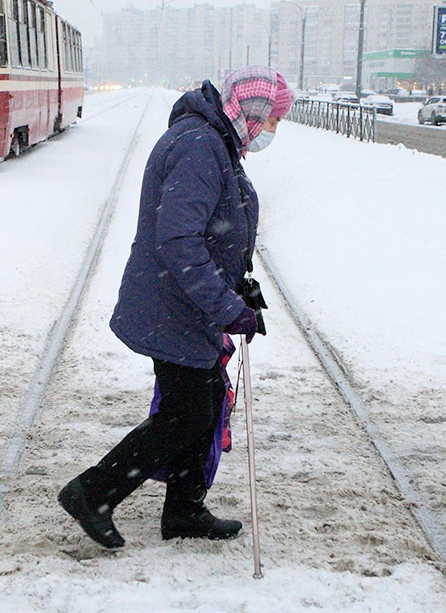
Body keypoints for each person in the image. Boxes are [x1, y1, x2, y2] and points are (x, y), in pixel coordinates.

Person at [58, 66, 294, 549]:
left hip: (186, 302)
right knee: (186, 413)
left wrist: (237, 286)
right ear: (250, 109)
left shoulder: (214, 140)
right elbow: (180, 240)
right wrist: (227, 306)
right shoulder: (200, 146)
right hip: (174, 304)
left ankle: (184, 510)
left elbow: (213, 228)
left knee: (203, 408)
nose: (272, 129)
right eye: (272, 118)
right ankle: (93, 492)